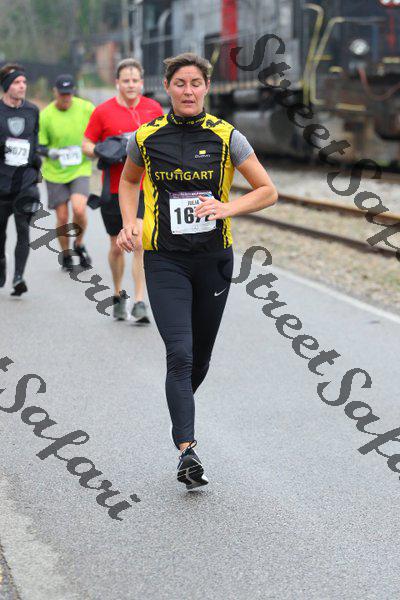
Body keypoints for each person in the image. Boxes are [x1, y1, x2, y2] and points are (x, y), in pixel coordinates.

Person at [117, 53, 278, 489]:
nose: (188, 91)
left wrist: (228, 207)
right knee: (180, 353)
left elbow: (267, 190)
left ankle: (180, 405)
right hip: (164, 260)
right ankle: (187, 450)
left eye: (195, 83)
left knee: (199, 360)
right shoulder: (146, 137)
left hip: (213, 261)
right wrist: (130, 221)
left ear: (207, 87)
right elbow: (128, 181)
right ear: (167, 87)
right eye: (180, 83)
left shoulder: (227, 136)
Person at [82, 58, 163, 321]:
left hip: (144, 189)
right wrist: (103, 150)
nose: (131, 85)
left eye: (135, 80)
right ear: (117, 83)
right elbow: (86, 144)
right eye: (126, 81)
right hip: (113, 190)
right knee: (117, 247)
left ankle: (139, 301)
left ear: (142, 83)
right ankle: (118, 294)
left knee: (139, 241)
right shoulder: (103, 112)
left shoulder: (153, 109)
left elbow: (164, 140)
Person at [38, 74, 95, 271]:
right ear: (55, 92)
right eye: (62, 94)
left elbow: (99, 127)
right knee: (62, 216)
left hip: (80, 167)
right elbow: (40, 145)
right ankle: (66, 253)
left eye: (69, 94)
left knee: (79, 209)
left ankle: (78, 244)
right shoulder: (46, 115)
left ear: (73, 92)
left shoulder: (86, 108)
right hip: (55, 172)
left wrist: (96, 146)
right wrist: (48, 152)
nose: (66, 98)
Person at [0, 63, 41, 296]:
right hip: (1, 183)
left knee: (23, 229)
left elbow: (34, 142)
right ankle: (2, 263)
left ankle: (18, 277)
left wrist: (35, 166)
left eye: (24, 82)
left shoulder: (33, 110)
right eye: (17, 82)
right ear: (6, 86)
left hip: (25, 182)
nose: (22, 86)